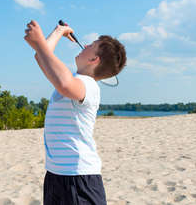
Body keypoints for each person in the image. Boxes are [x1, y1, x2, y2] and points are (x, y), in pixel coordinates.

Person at [24, 20, 127, 205]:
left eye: (91, 46)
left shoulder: (88, 85)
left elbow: (64, 83)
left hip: (79, 178)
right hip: (56, 175)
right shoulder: (75, 79)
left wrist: (39, 42)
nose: (85, 45)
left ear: (94, 60)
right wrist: (58, 31)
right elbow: (42, 57)